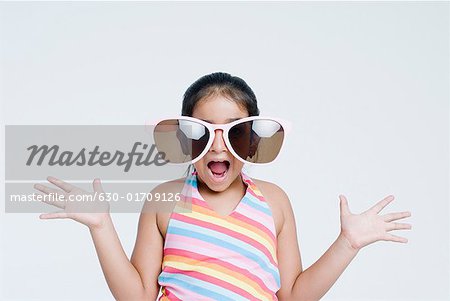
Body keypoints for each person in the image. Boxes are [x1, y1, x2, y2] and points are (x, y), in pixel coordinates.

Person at [35, 72, 412, 301]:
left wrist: (347, 244)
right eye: (203, 132)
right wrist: (102, 227)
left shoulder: (274, 202)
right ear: (185, 138)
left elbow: (294, 295)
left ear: (252, 140)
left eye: (234, 131)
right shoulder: (164, 201)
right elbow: (138, 296)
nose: (218, 145)